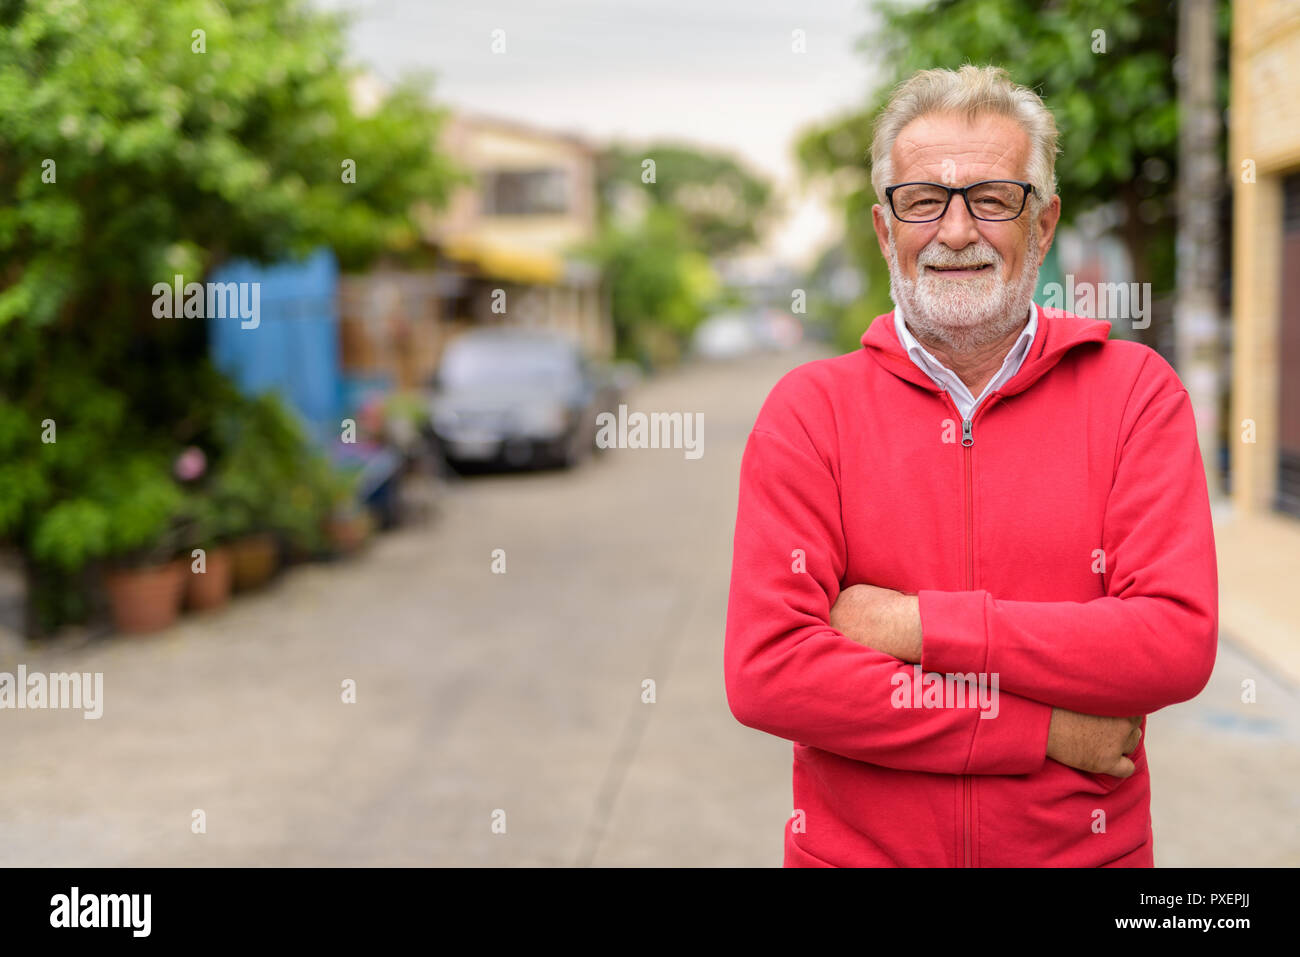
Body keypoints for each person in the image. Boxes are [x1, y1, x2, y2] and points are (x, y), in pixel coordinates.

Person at [723, 65, 1218, 867]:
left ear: (1045, 224)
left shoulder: (1135, 394)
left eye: (993, 198)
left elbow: (1171, 641)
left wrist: (919, 626)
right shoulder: (808, 411)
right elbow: (771, 672)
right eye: (923, 200)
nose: (956, 231)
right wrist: (1042, 730)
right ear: (885, 229)